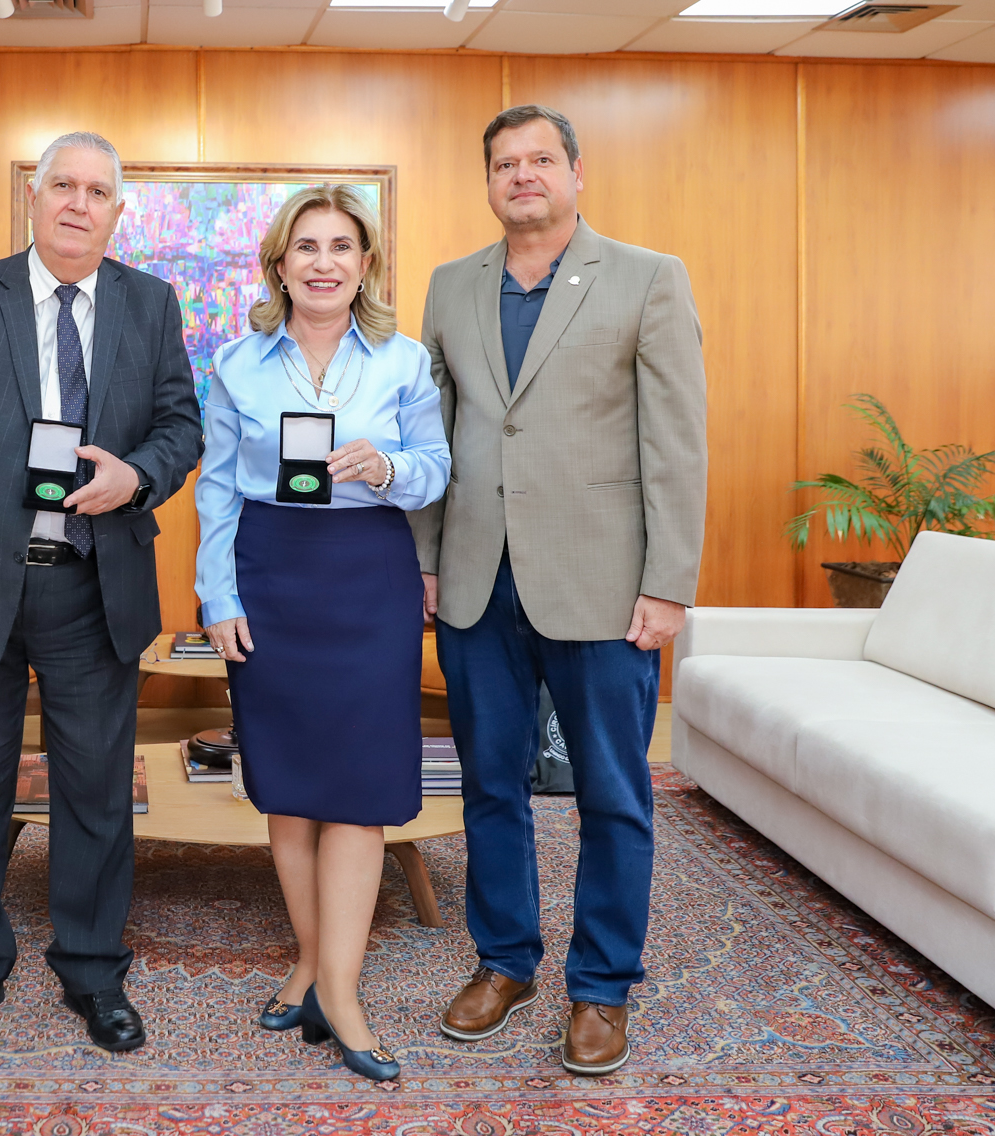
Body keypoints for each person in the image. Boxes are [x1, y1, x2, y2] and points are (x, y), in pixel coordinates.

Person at [0, 131, 203, 1053]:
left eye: (97, 190)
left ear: (117, 210)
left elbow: (181, 425)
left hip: (93, 584)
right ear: (34, 197)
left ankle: (94, 969)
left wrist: (137, 476)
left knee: (97, 789)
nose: (77, 202)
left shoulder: (150, 303)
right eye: (62, 185)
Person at [411, 104, 706, 1076]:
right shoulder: (452, 287)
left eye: (541, 160)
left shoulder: (646, 279)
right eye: (505, 163)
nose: (523, 175)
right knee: (491, 787)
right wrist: (424, 557)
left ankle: (602, 987)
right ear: (488, 182)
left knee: (613, 795)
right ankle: (506, 962)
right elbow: (435, 434)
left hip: (601, 586)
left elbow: (675, 446)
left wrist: (668, 585)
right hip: (475, 587)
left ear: (576, 174)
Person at [195, 184, 449, 1083]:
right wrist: (216, 596)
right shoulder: (235, 364)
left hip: (365, 576)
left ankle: (340, 990)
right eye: (306, 246)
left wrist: (389, 466)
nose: (324, 262)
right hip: (270, 574)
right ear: (279, 262)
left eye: (343, 246)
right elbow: (217, 488)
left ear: (365, 263)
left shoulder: (404, 360)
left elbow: (436, 471)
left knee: (357, 787)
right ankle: (308, 963)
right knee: (289, 787)